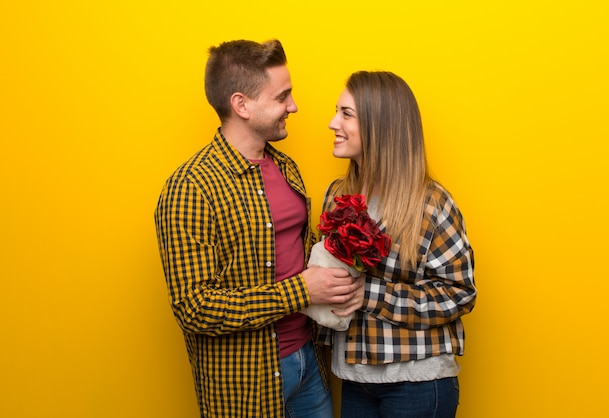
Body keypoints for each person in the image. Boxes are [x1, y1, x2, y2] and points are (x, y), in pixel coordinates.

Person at [154, 39, 363, 418]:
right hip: (244, 381)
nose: (294, 106)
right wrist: (301, 291)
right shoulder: (191, 187)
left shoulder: (287, 169)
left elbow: (303, 257)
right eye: (282, 96)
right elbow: (195, 307)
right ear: (242, 105)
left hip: (310, 364)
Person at [318, 71, 477, 418]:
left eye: (346, 114)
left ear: (380, 125)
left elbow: (460, 293)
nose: (333, 123)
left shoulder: (430, 204)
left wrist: (368, 295)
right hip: (355, 377)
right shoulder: (337, 195)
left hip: (416, 383)